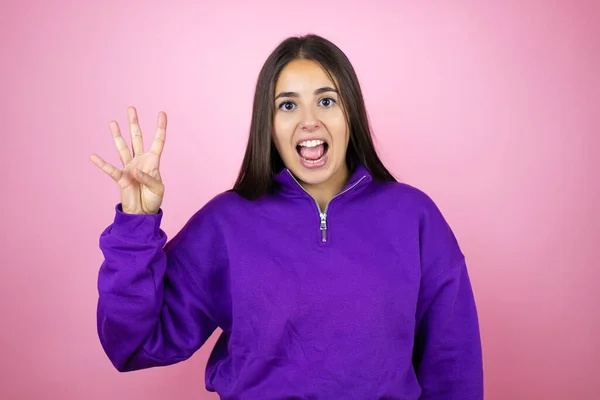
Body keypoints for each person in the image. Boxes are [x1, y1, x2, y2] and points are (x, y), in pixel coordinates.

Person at [90, 34, 484, 399]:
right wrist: (135, 224)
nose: (309, 120)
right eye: (288, 105)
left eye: (327, 101)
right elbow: (134, 344)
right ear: (270, 124)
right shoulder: (226, 222)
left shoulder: (414, 217)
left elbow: (452, 364)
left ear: (352, 114)